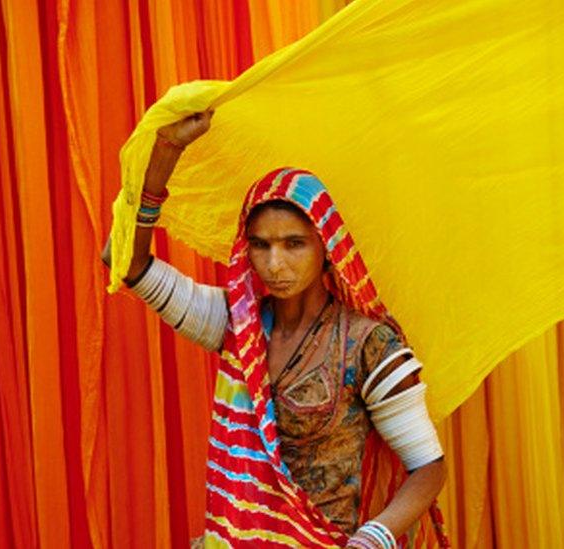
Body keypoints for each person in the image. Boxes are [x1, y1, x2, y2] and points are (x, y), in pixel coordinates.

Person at [101, 111, 448, 548]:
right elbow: (123, 260)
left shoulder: (367, 344)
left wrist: (371, 539)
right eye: (261, 245)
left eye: (294, 244)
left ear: (327, 248)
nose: (274, 264)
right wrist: (164, 153)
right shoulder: (236, 324)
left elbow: (428, 468)